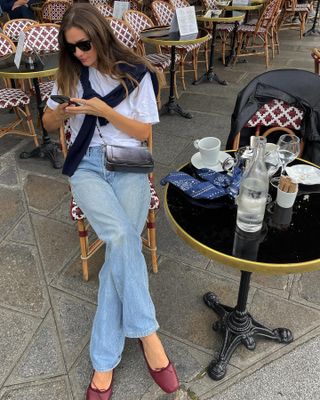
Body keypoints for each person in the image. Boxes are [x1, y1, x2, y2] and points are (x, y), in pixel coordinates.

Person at [43, 3, 179, 400]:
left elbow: (142, 130)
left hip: (130, 162)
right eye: (70, 48)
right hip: (85, 165)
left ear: (100, 35)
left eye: (83, 44)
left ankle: (103, 362)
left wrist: (103, 110)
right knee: (122, 238)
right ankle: (149, 336)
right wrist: (61, 110)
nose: (79, 54)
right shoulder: (69, 74)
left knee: (119, 248)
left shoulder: (136, 73)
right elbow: (49, 125)